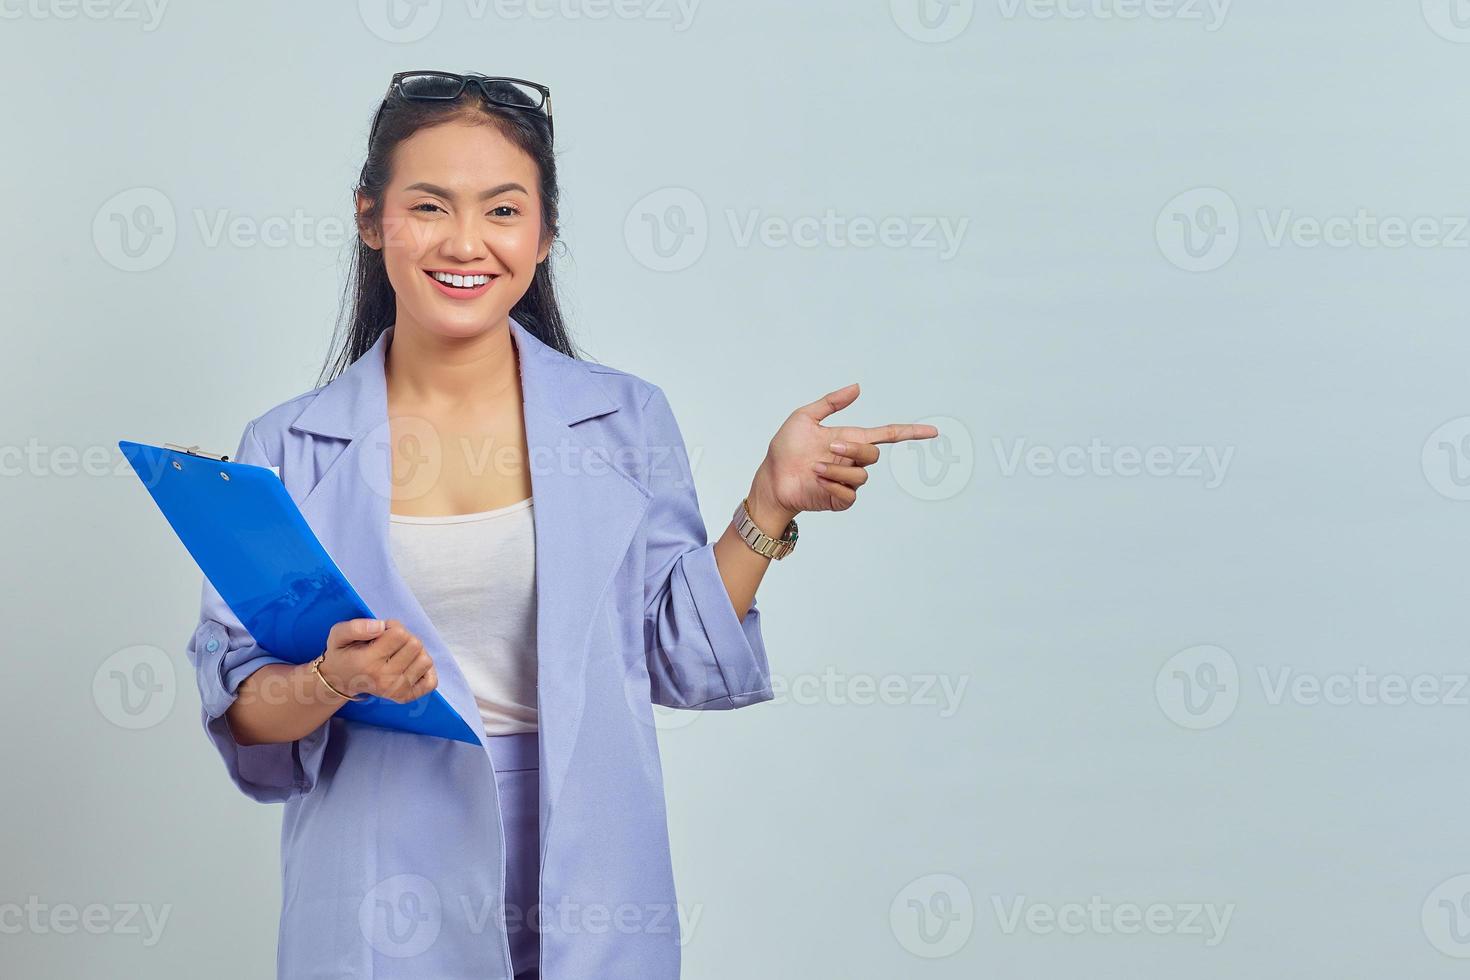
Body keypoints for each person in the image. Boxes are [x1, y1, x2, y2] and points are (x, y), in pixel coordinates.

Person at [186, 70, 940, 979]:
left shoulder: (623, 422)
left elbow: (680, 654)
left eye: (503, 211)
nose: (466, 242)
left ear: (543, 236)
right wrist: (331, 680)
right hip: (383, 876)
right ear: (370, 219)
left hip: (591, 861)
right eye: (429, 206)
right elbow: (243, 707)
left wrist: (768, 504)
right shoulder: (287, 446)